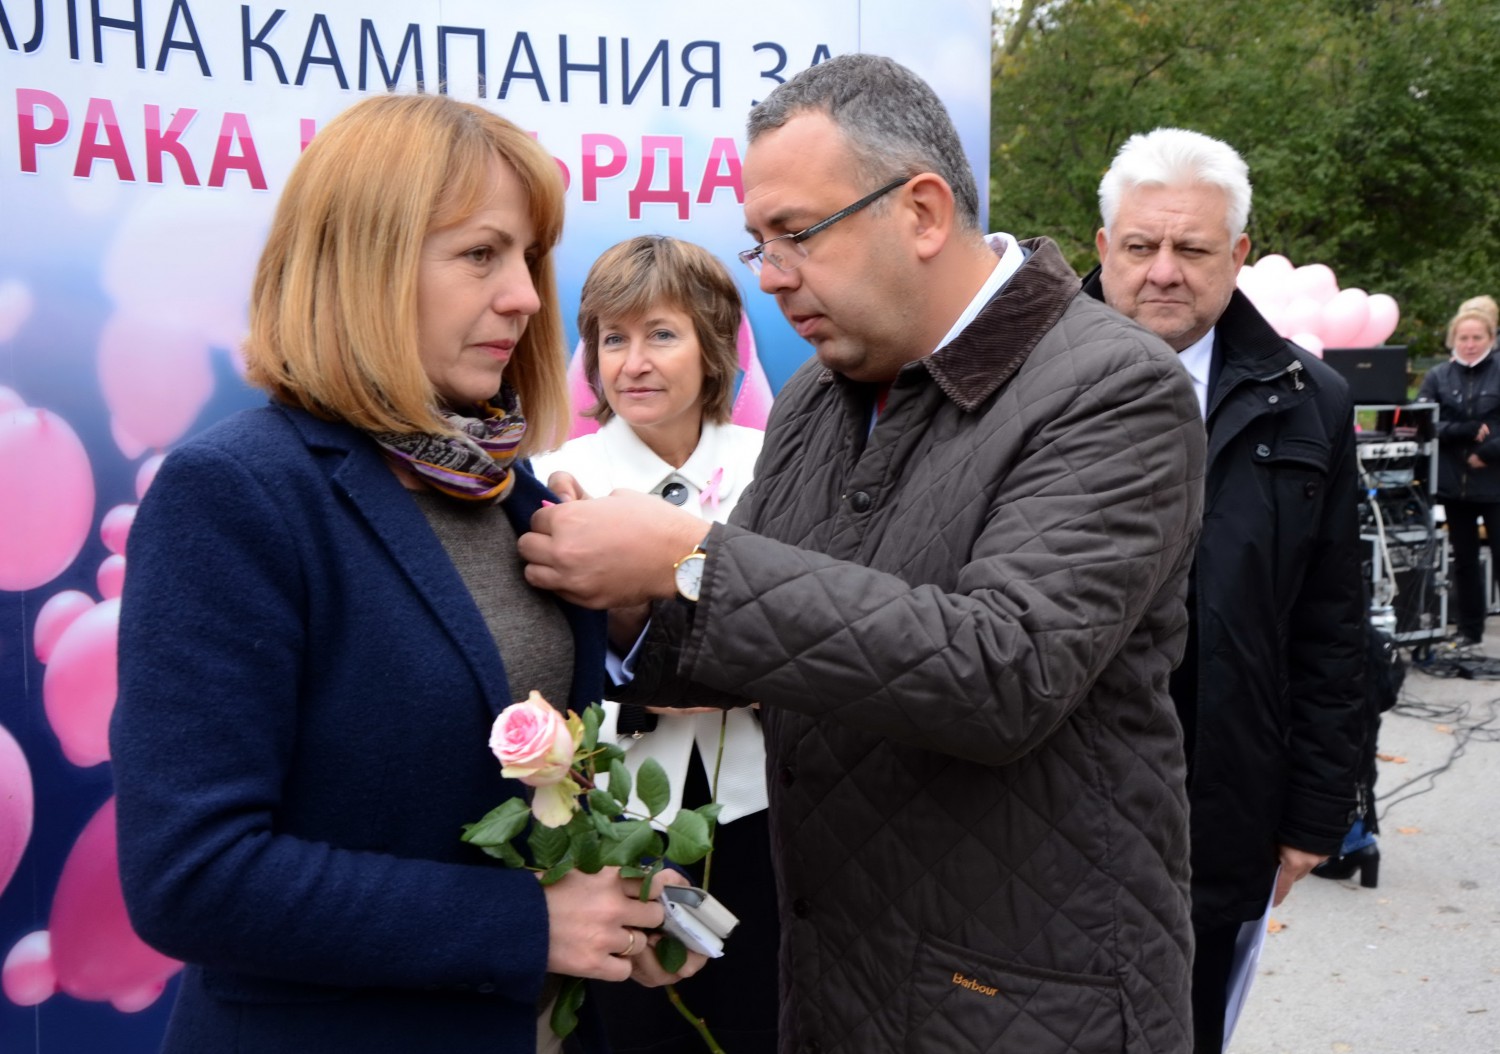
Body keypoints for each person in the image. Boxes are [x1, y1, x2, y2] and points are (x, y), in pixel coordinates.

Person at [520, 53, 1204, 1054]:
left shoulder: (1111, 387)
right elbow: (751, 635)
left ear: (923, 211)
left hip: (1024, 996)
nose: (775, 275)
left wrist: (685, 558)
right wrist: (617, 589)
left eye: (797, 234)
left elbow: (1003, 668)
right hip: (842, 976)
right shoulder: (818, 396)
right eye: (758, 243)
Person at [110, 94, 702, 1054]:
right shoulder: (236, 494)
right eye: (481, 254)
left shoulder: (516, 491)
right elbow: (193, 875)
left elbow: (507, 783)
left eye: (528, 259)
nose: (523, 295)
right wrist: (526, 923)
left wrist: (615, 887)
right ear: (364, 265)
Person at [1084, 127, 1367, 1053]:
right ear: (1102, 248)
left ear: (1238, 255)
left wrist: (1320, 811)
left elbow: (1331, 625)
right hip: (1040, 806)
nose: (1164, 271)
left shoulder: (1308, 402)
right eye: (1141, 246)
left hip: (1222, 813)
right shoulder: (1015, 383)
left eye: (1193, 249)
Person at [530, 235, 777, 1053]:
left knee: (766, 1012)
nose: (634, 362)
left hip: (772, 806)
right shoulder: (554, 479)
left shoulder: (778, 470)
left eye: (661, 334)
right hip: (615, 818)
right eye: (613, 338)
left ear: (712, 348)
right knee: (638, 1030)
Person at [1417, 303, 1500, 651]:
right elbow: (1422, 423)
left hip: (1495, 484)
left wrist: (1488, 452)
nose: (1470, 344)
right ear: (1454, 339)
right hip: (1454, 486)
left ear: (1490, 338)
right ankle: (1470, 630)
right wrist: (1462, 431)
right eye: (1463, 337)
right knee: (1464, 562)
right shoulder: (1438, 376)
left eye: (1477, 337)